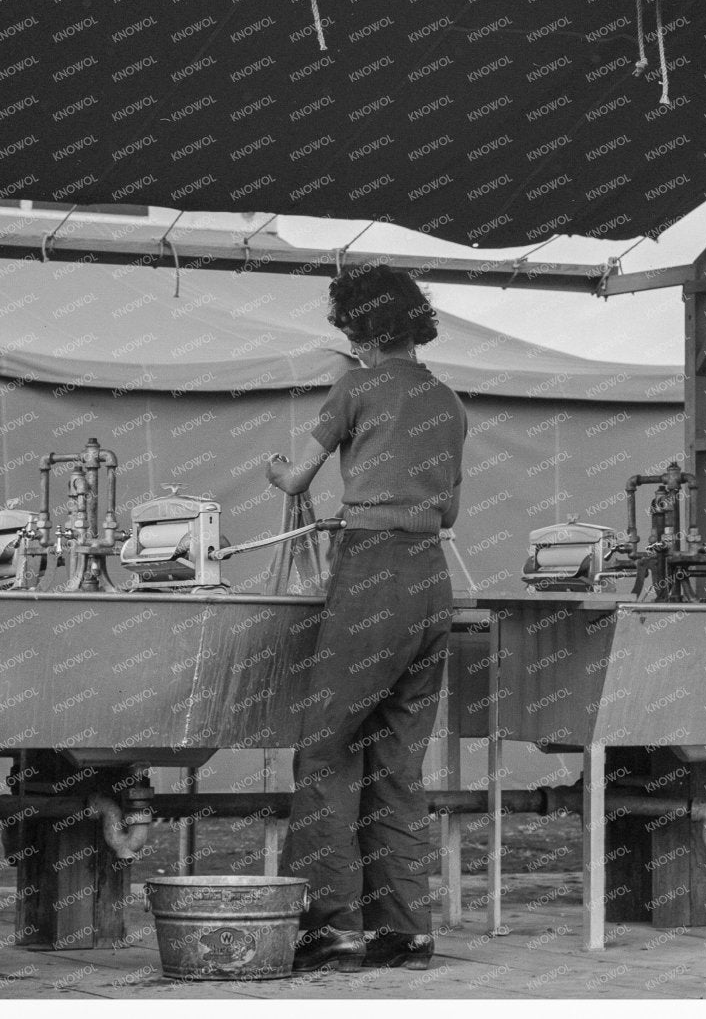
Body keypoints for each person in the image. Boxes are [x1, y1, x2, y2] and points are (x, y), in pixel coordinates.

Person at [265, 263, 467, 973]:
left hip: (372, 574)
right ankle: (404, 932)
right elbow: (449, 509)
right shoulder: (448, 400)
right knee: (397, 759)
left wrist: (280, 474)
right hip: (430, 578)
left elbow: (297, 477)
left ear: (357, 329)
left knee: (324, 749)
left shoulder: (354, 387)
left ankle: (332, 929)